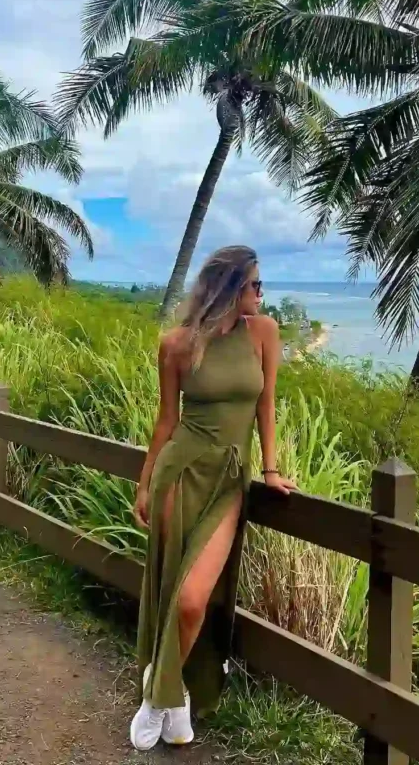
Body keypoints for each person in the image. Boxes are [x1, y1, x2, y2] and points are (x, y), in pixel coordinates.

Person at [130, 246, 296, 751]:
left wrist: (269, 469)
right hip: (179, 475)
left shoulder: (263, 332)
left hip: (228, 482)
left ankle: (156, 690)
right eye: (254, 286)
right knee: (168, 588)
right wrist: (143, 482)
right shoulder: (177, 344)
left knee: (191, 599)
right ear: (229, 288)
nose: (261, 295)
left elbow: (266, 405)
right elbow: (166, 421)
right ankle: (172, 697)